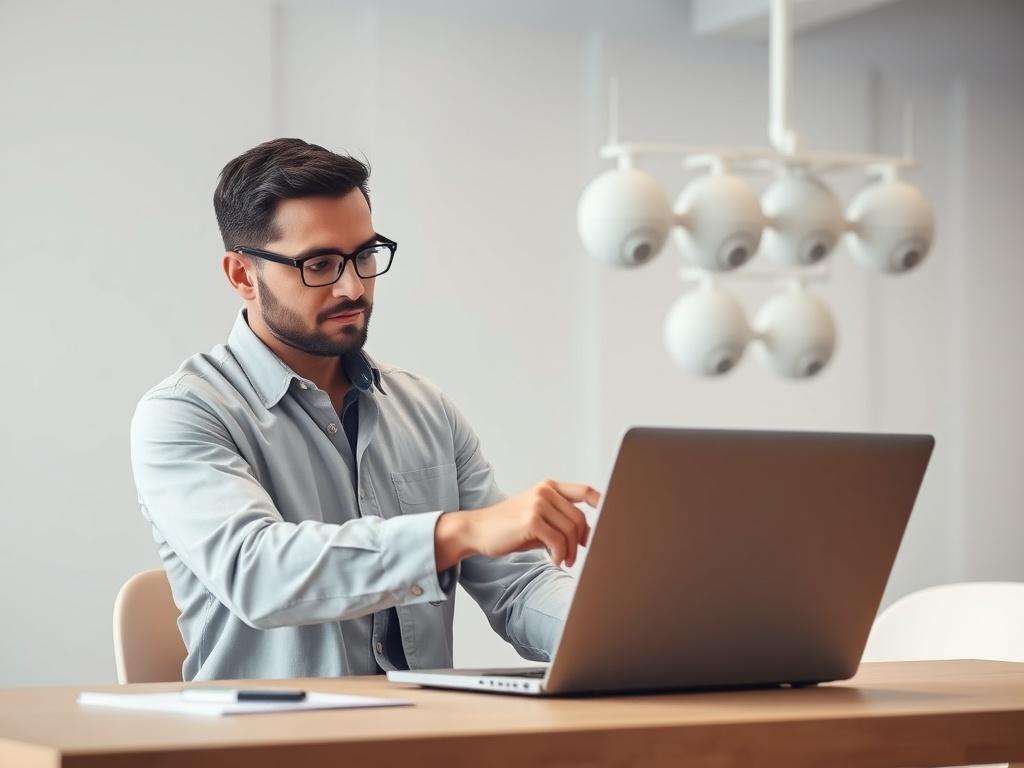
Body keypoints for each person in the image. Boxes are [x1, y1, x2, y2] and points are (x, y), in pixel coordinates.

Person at [129, 138, 600, 681]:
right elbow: (259, 574)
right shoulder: (183, 413)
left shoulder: (426, 410)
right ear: (242, 276)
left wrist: (624, 642)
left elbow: (517, 586)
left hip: (418, 739)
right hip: (267, 744)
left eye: (365, 255)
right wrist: (457, 532)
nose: (353, 286)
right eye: (320, 264)